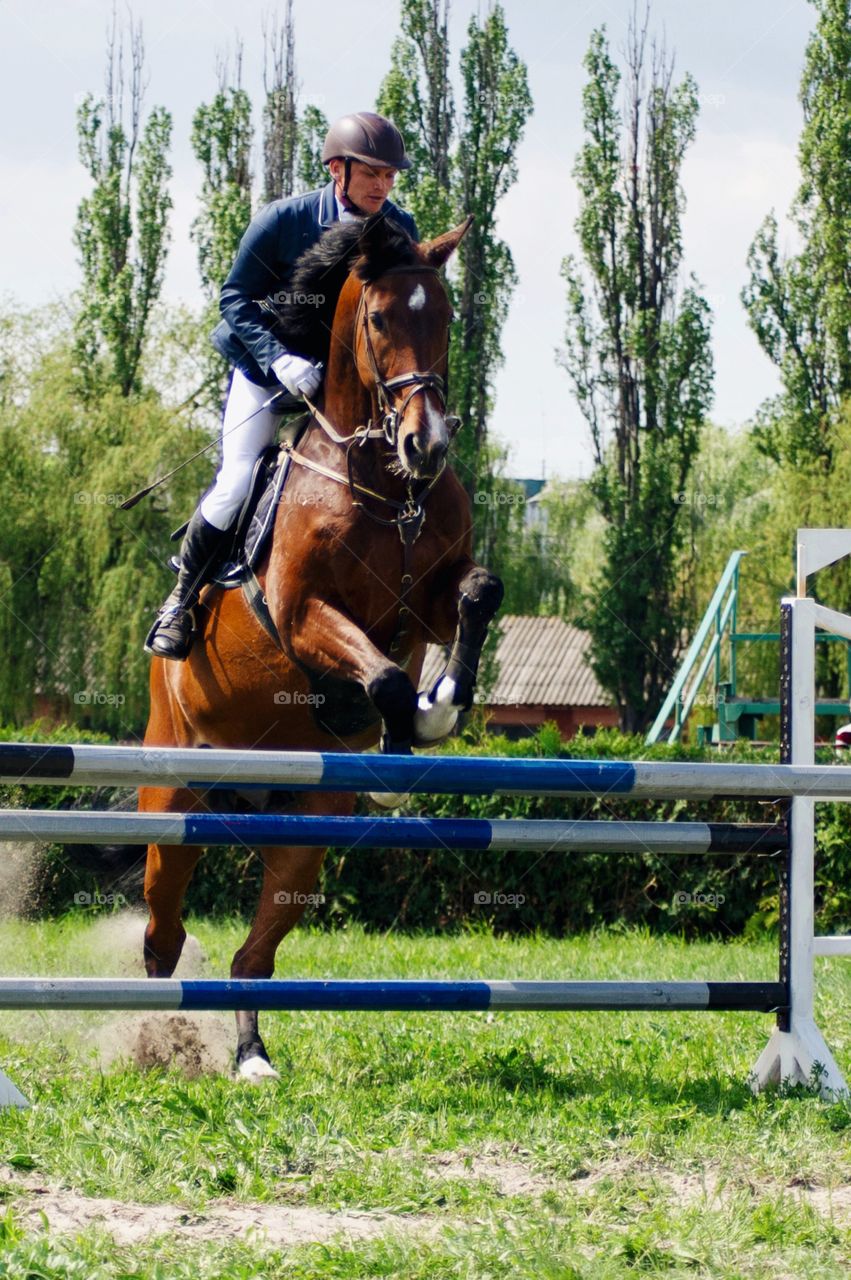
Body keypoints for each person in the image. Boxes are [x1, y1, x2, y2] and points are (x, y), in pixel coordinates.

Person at [145, 111, 418, 660]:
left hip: (343, 388)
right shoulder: (283, 219)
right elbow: (234, 299)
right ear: (337, 170)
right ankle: (179, 603)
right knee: (238, 480)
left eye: (391, 177)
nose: (383, 187)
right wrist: (279, 359)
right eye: (372, 174)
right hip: (267, 370)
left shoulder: (399, 229)